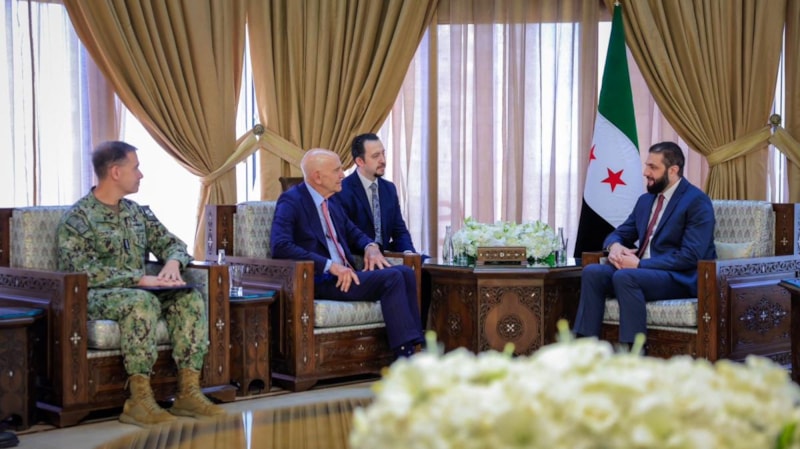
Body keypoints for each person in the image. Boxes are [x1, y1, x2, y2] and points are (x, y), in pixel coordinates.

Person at [56, 141, 224, 427]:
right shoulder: (78, 219)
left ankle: (188, 392)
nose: (141, 174)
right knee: (141, 302)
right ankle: (139, 399)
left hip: (140, 290)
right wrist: (137, 279)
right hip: (95, 295)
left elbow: (173, 243)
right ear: (115, 172)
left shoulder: (137, 213)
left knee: (188, 297)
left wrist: (173, 263)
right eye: (135, 168)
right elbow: (81, 271)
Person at [270, 148, 424, 358]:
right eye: (337, 170)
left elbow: (353, 233)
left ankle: (416, 347)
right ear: (317, 177)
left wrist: (370, 247)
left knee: (405, 272)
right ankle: (404, 355)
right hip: (320, 279)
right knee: (393, 277)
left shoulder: (332, 201)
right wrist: (329, 266)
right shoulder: (292, 201)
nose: (343, 174)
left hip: (347, 276)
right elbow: (280, 245)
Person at [573, 141, 716, 347]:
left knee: (625, 276)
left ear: (673, 170)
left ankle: (633, 351)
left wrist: (640, 264)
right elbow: (619, 234)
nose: (646, 172)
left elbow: (691, 256)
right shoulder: (645, 200)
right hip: (642, 273)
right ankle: (585, 348)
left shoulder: (696, 202)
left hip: (678, 277)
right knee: (593, 272)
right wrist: (615, 247)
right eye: (647, 165)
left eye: (653, 167)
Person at [337, 134, 417, 253]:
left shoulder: (389, 188)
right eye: (375, 156)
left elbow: (399, 231)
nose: (383, 160)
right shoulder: (342, 189)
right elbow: (347, 234)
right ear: (360, 161)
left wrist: (409, 254)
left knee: (427, 262)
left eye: (383, 154)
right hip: (359, 257)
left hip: (386, 254)